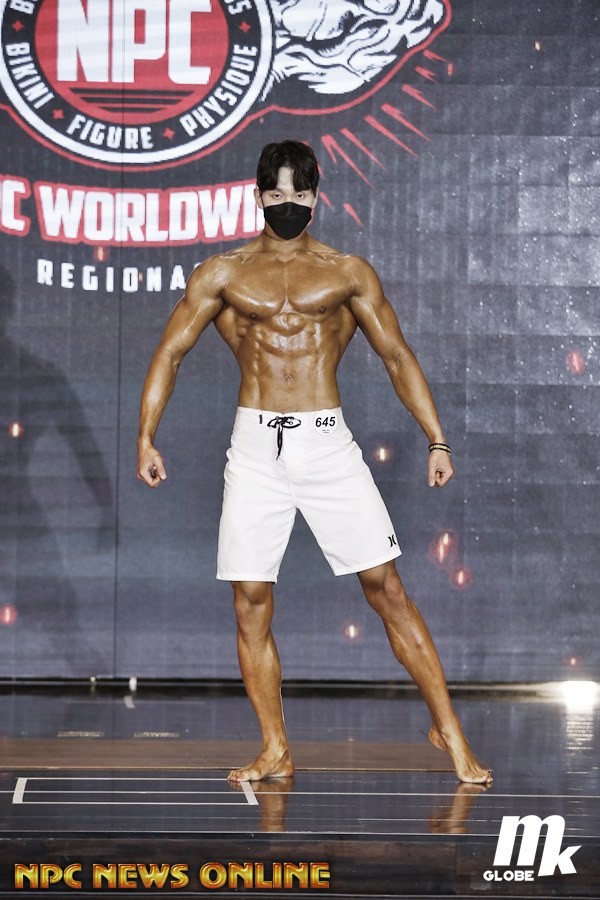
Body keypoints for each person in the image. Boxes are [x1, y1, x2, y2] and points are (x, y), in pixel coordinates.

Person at [137, 140, 492, 785]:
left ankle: (451, 732)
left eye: (299, 194)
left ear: (315, 197)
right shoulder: (223, 274)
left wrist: (437, 439)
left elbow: (397, 355)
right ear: (259, 196)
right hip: (255, 447)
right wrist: (146, 436)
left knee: (386, 588)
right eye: (277, 194)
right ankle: (275, 747)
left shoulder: (347, 272)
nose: (288, 204)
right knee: (250, 600)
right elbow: (170, 352)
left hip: (326, 442)